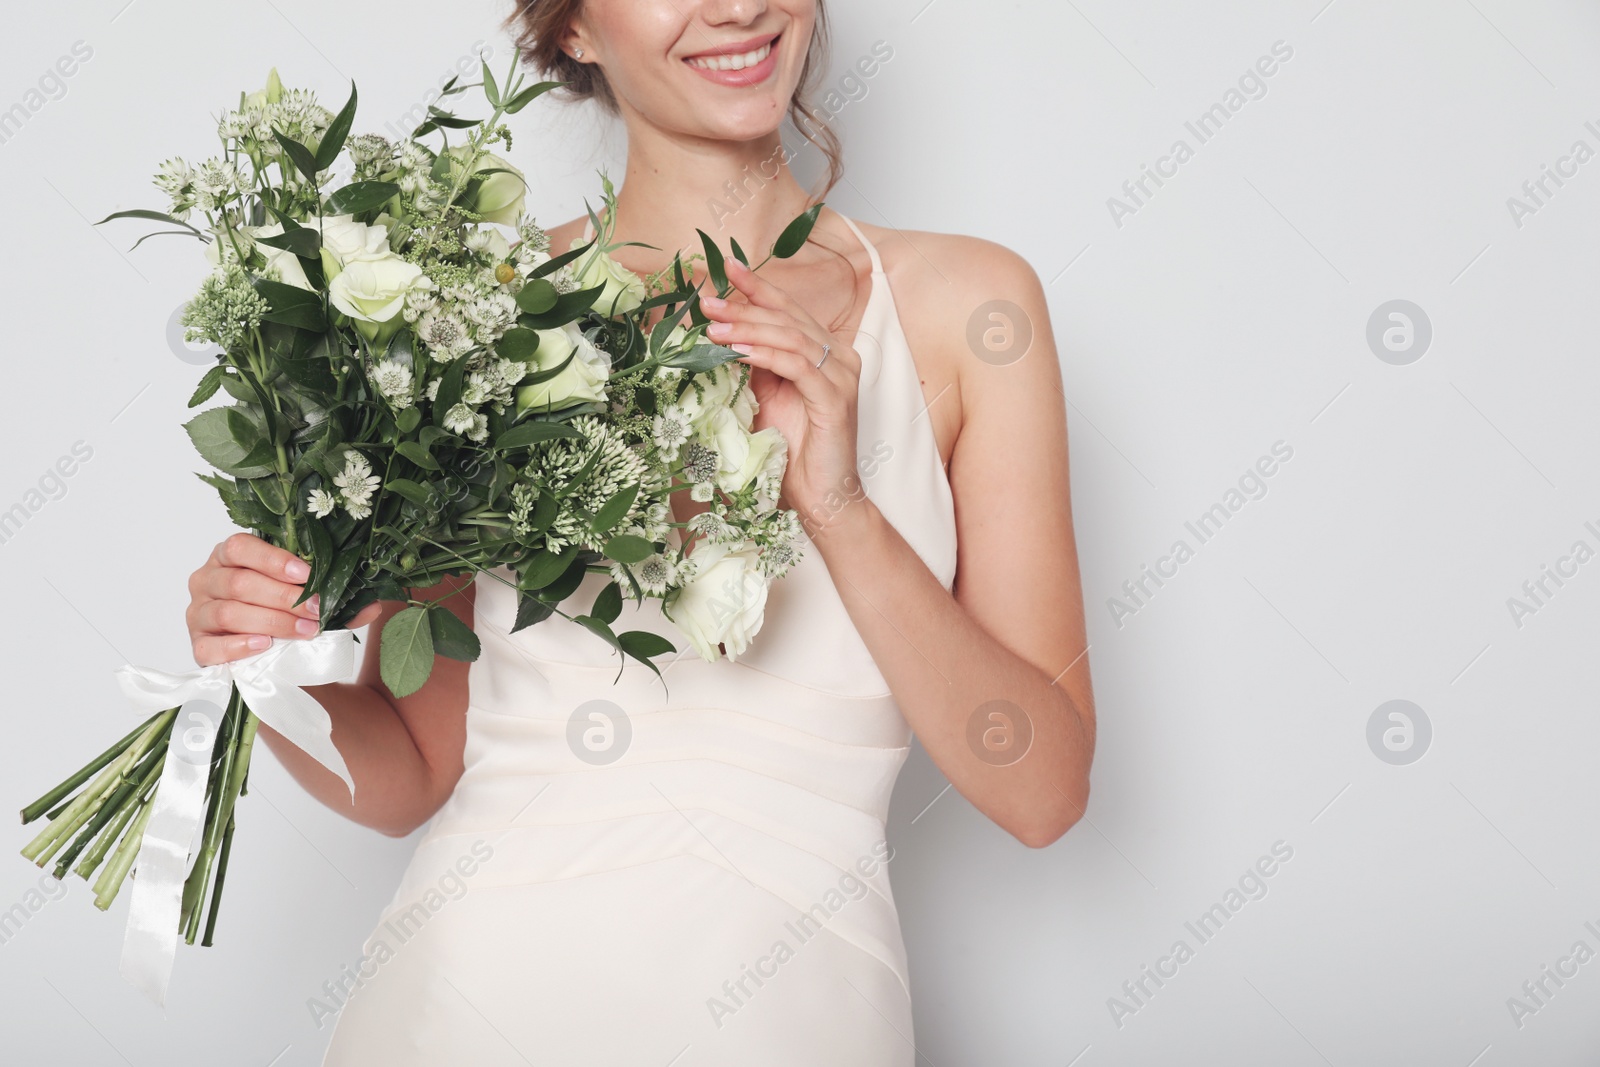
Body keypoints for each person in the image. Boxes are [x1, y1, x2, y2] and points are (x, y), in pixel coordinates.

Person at [183, 1, 1095, 1062]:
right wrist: (268, 673)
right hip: (461, 1002)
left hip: (789, 1013)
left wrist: (838, 508)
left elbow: (1043, 790)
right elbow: (417, 765)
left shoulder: (971, 308)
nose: (738, 6)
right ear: (569, 28)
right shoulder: (472, 319)